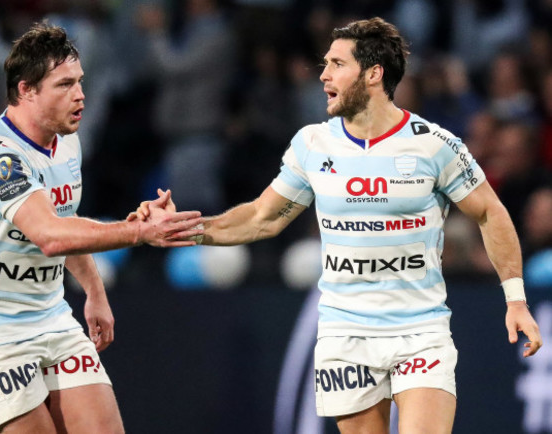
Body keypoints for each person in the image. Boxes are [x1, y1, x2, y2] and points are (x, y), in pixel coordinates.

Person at [134, 17, 543, 434]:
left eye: (336, 64)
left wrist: (515, 300)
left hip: (420, 329)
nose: (323, 74)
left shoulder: (434, 144)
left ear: (373, 74)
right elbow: (261, 217)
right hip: (345, 333)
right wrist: (183, 228)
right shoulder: (313, 144)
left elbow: (491, 212)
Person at [0, 22, 203, 434]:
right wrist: (138, 232)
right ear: (26, 89)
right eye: (65, 85)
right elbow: (50, 236)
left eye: (80, 81)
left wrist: (95, 294)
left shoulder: (66, 141)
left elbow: (66, 222)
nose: (81, 95)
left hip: (51, 317)